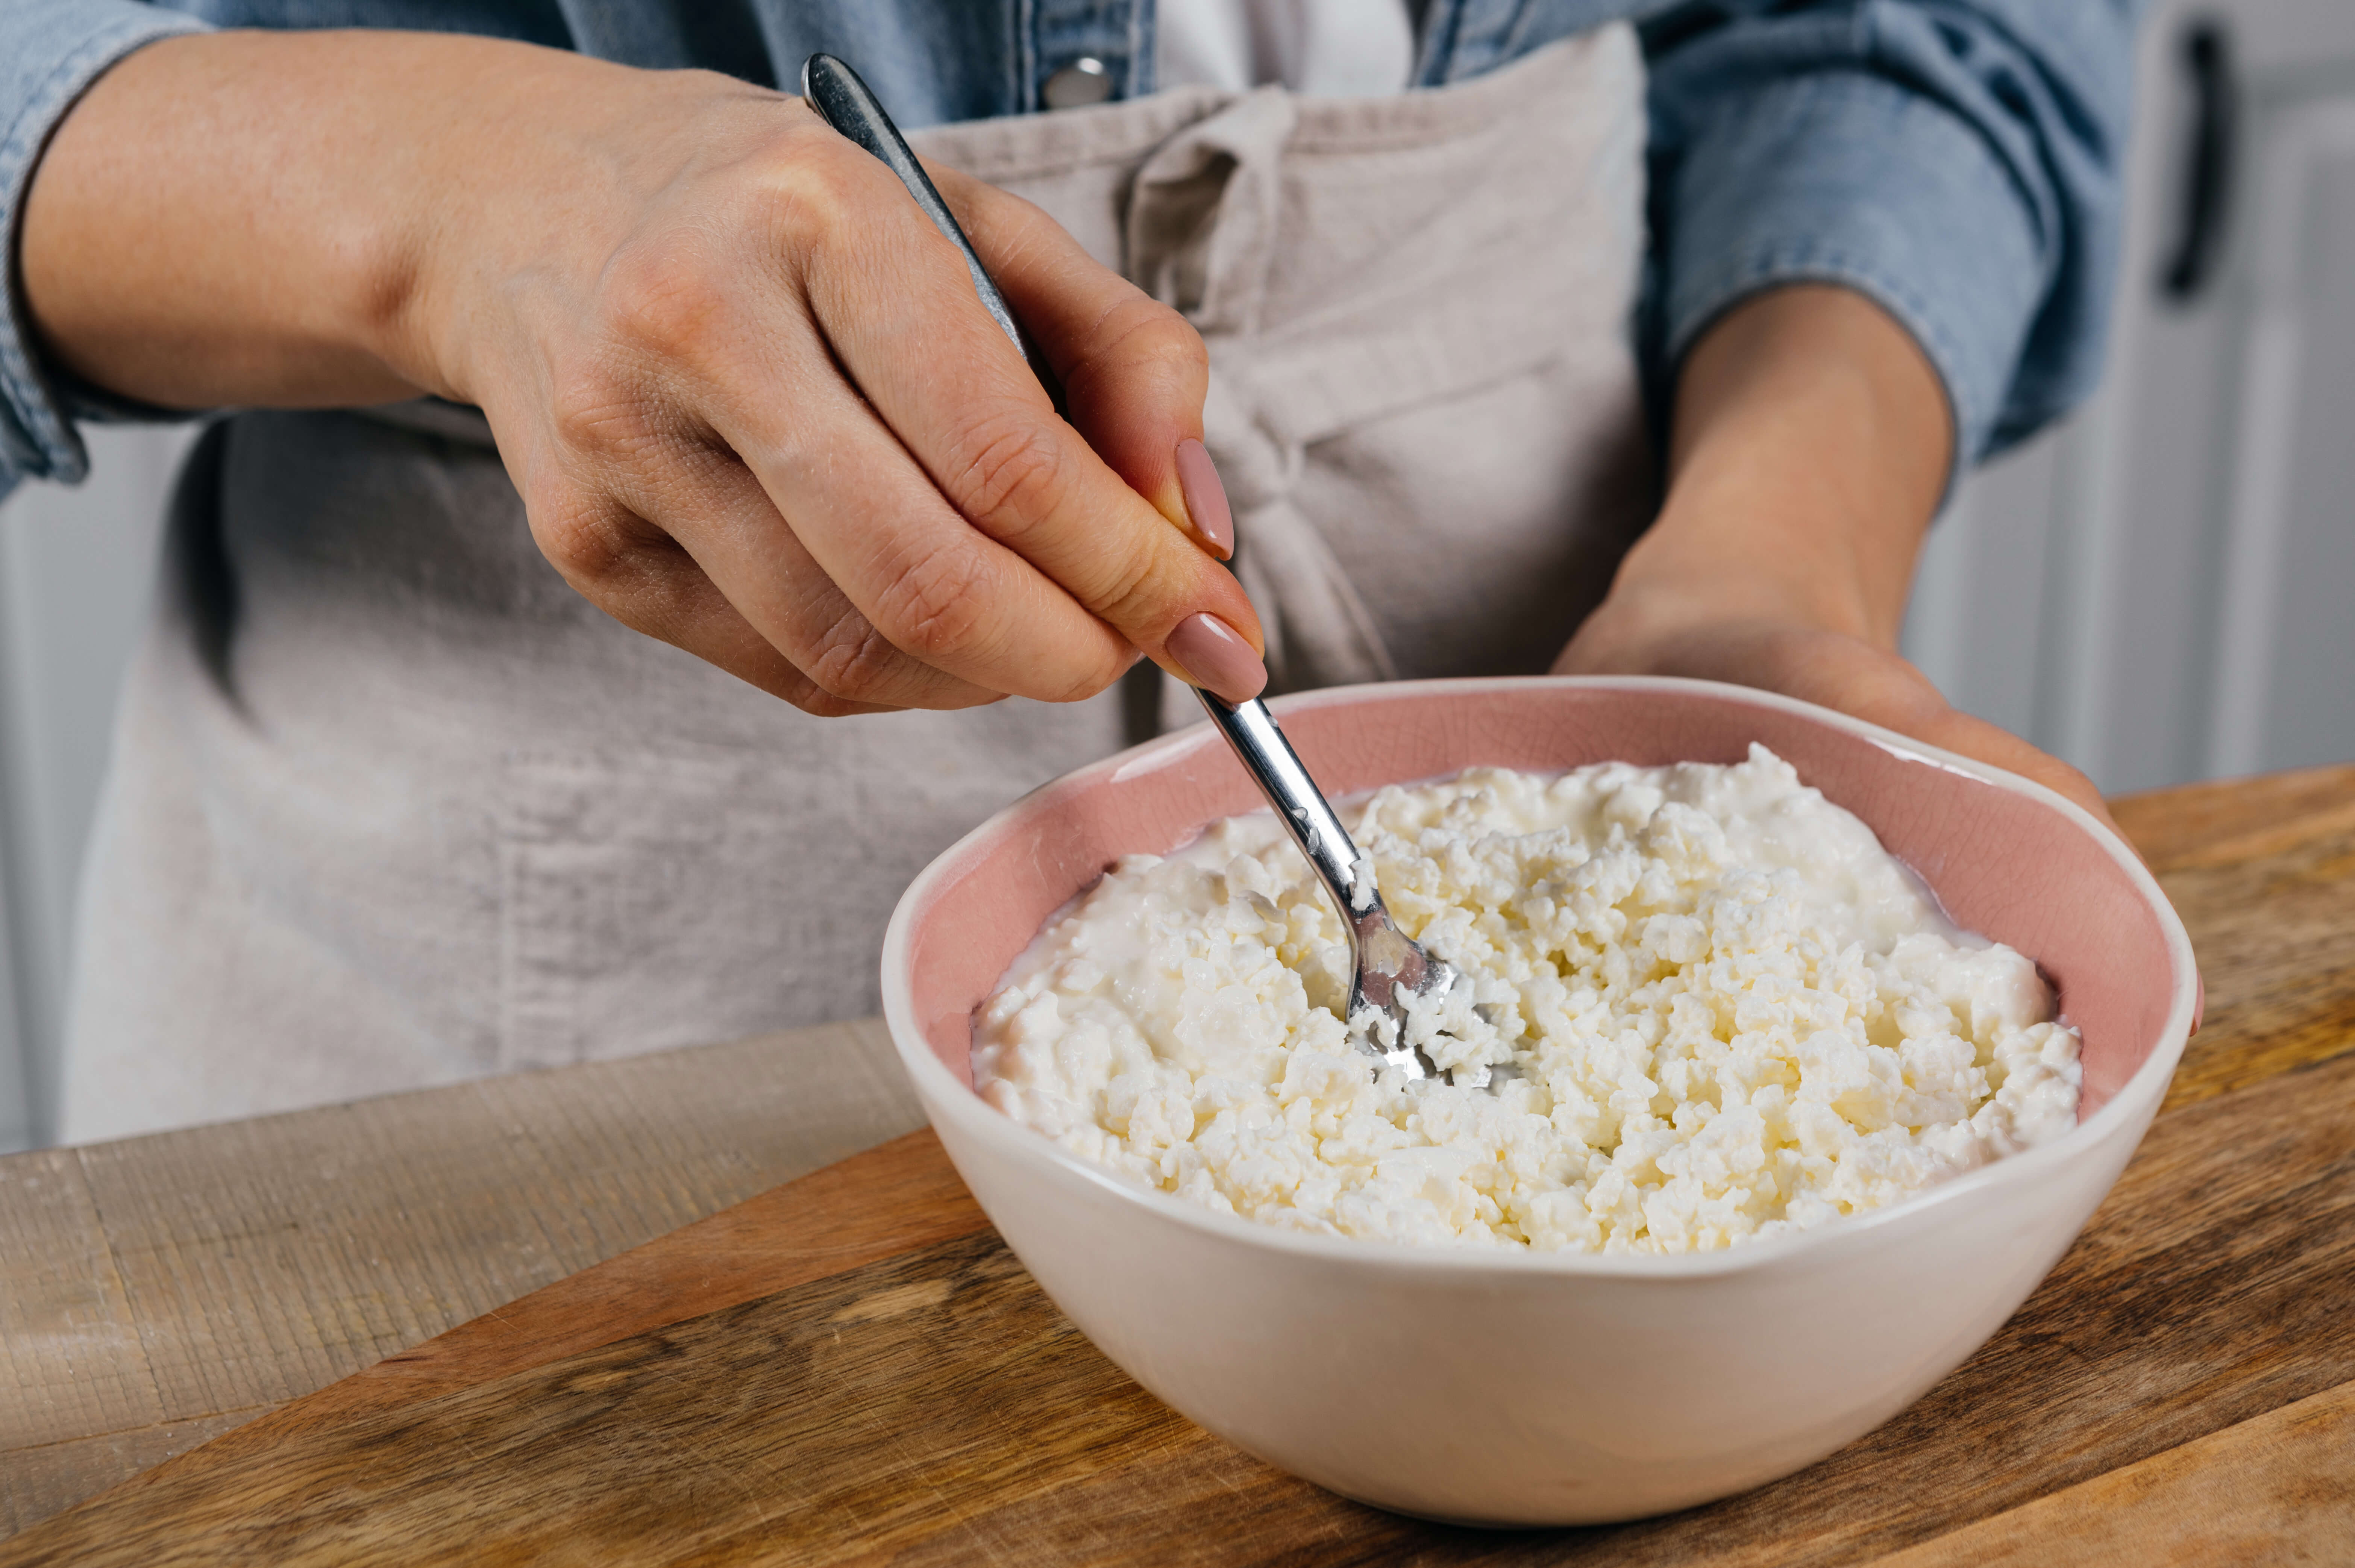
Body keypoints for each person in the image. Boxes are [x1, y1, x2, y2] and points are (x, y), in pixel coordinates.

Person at [2, 0, 2135, 1142]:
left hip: (1571, 567)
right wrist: (441, 201)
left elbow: (1900, 30)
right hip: (507, 944)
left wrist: (1768, 557)